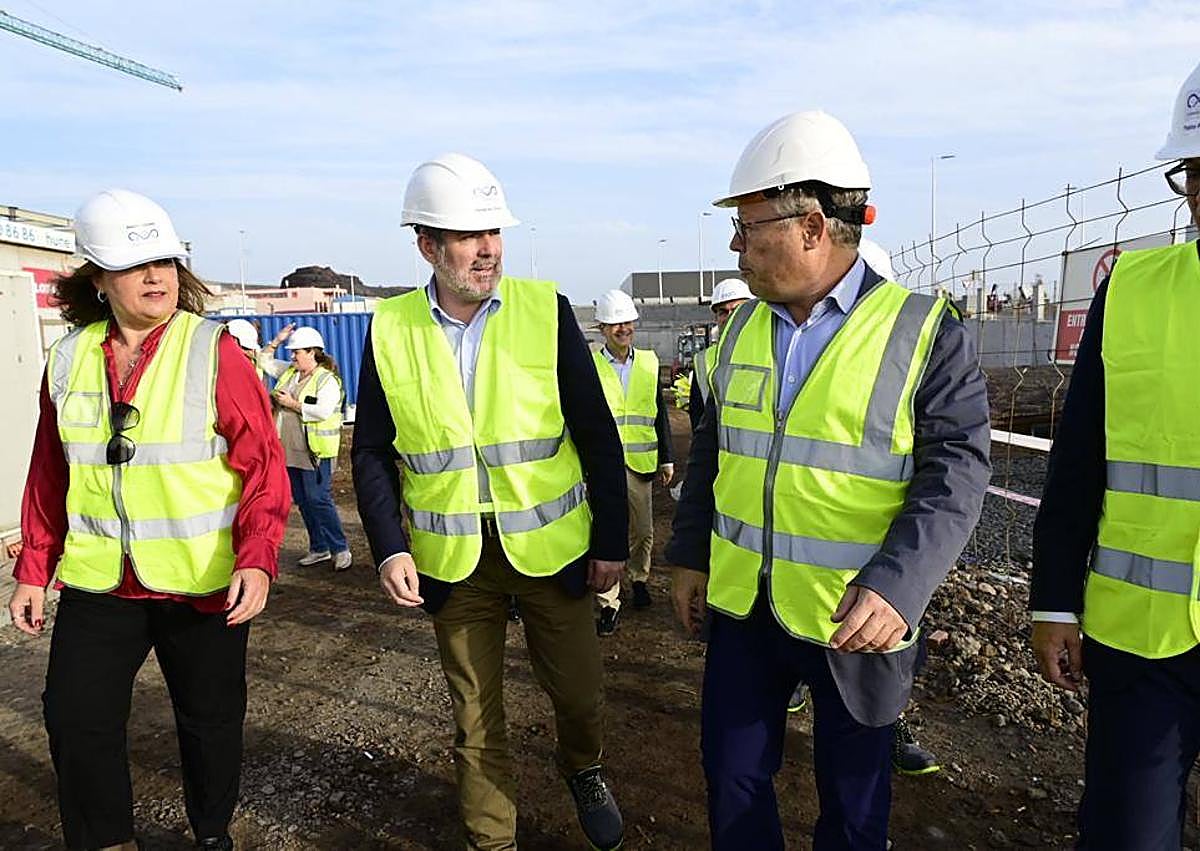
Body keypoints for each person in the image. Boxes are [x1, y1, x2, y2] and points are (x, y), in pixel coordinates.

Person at [666, 111, 990, 849]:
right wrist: (690, 553)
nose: (736, 245)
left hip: (857, 616)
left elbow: (957, 470)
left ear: (812, 226)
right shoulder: (739, 331)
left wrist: (898, 586)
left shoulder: (922, 330)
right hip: (747, 607)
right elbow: (716, 449)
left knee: (853, 804)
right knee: (734, 778)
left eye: (748, 228)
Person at [352, 152, 628, 851]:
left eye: (494, 233)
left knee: (577, 693)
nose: (488, 250)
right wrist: (388, 545)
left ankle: (583, 765)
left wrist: (612, 542)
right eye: (470, 236)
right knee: (475, 717)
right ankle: (492, 839)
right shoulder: (390, 329)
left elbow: (597, 434)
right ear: (426, 245)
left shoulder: (547, 311)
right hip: (455, 561)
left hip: (553, 552)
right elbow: (373, 450)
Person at [5, 189, 289, 851]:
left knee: (210, 721)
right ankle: (106, 838)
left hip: (202, 581)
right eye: (136, 265)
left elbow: (264, 465)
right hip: (101, 583)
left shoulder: (211, 350)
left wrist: (257, 554)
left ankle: (211, 831)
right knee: (75, 717)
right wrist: (32, 569)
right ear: (100, 278)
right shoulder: (70, 358)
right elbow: (51, 471)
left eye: (163, 259)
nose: (156, 275)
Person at [1030, 60, 1200, 850]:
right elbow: (1077, 468)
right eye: (1195, 172)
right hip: (1142, 648)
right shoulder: (1132, 289)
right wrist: (1055, 601)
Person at [591, 289, 673, 634]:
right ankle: (608, 602)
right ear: (602, 328)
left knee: (643, 531)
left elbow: (660, 415)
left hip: (641, 463)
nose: (622, 329)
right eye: (614, 324)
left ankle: (639, 578)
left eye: (626, 322)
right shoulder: (589, 366)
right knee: (608, 530)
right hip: (602, 466)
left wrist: (667, 458)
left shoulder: (650, 363)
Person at [258, 324, 351, 571]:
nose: (292, 357)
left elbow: (321, 411)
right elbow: (264, 360)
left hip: (315, 452)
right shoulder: (290, 373)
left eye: (296, 352)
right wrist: (278, 339)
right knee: (303, 500)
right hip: (289, 450)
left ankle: (340, 548)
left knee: (318, 499)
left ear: (312, 352)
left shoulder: (327, 380)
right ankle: (319, 548)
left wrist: (292, 403)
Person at [687, 277, 752, 433]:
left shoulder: (771, 350)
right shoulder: (703, 361)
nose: (730, 316)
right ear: (715, 318)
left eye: (737, 309)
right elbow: (698, 417)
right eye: (723, 312)